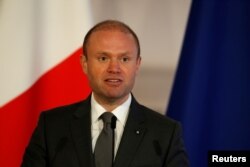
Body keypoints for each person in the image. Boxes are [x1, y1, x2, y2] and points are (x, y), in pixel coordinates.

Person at [21, 20, 189, 167]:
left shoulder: (165, 133)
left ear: (137, 64)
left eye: (124, 59)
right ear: (84, 63)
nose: (114, 69)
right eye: (103, 58)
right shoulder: (52, 127)